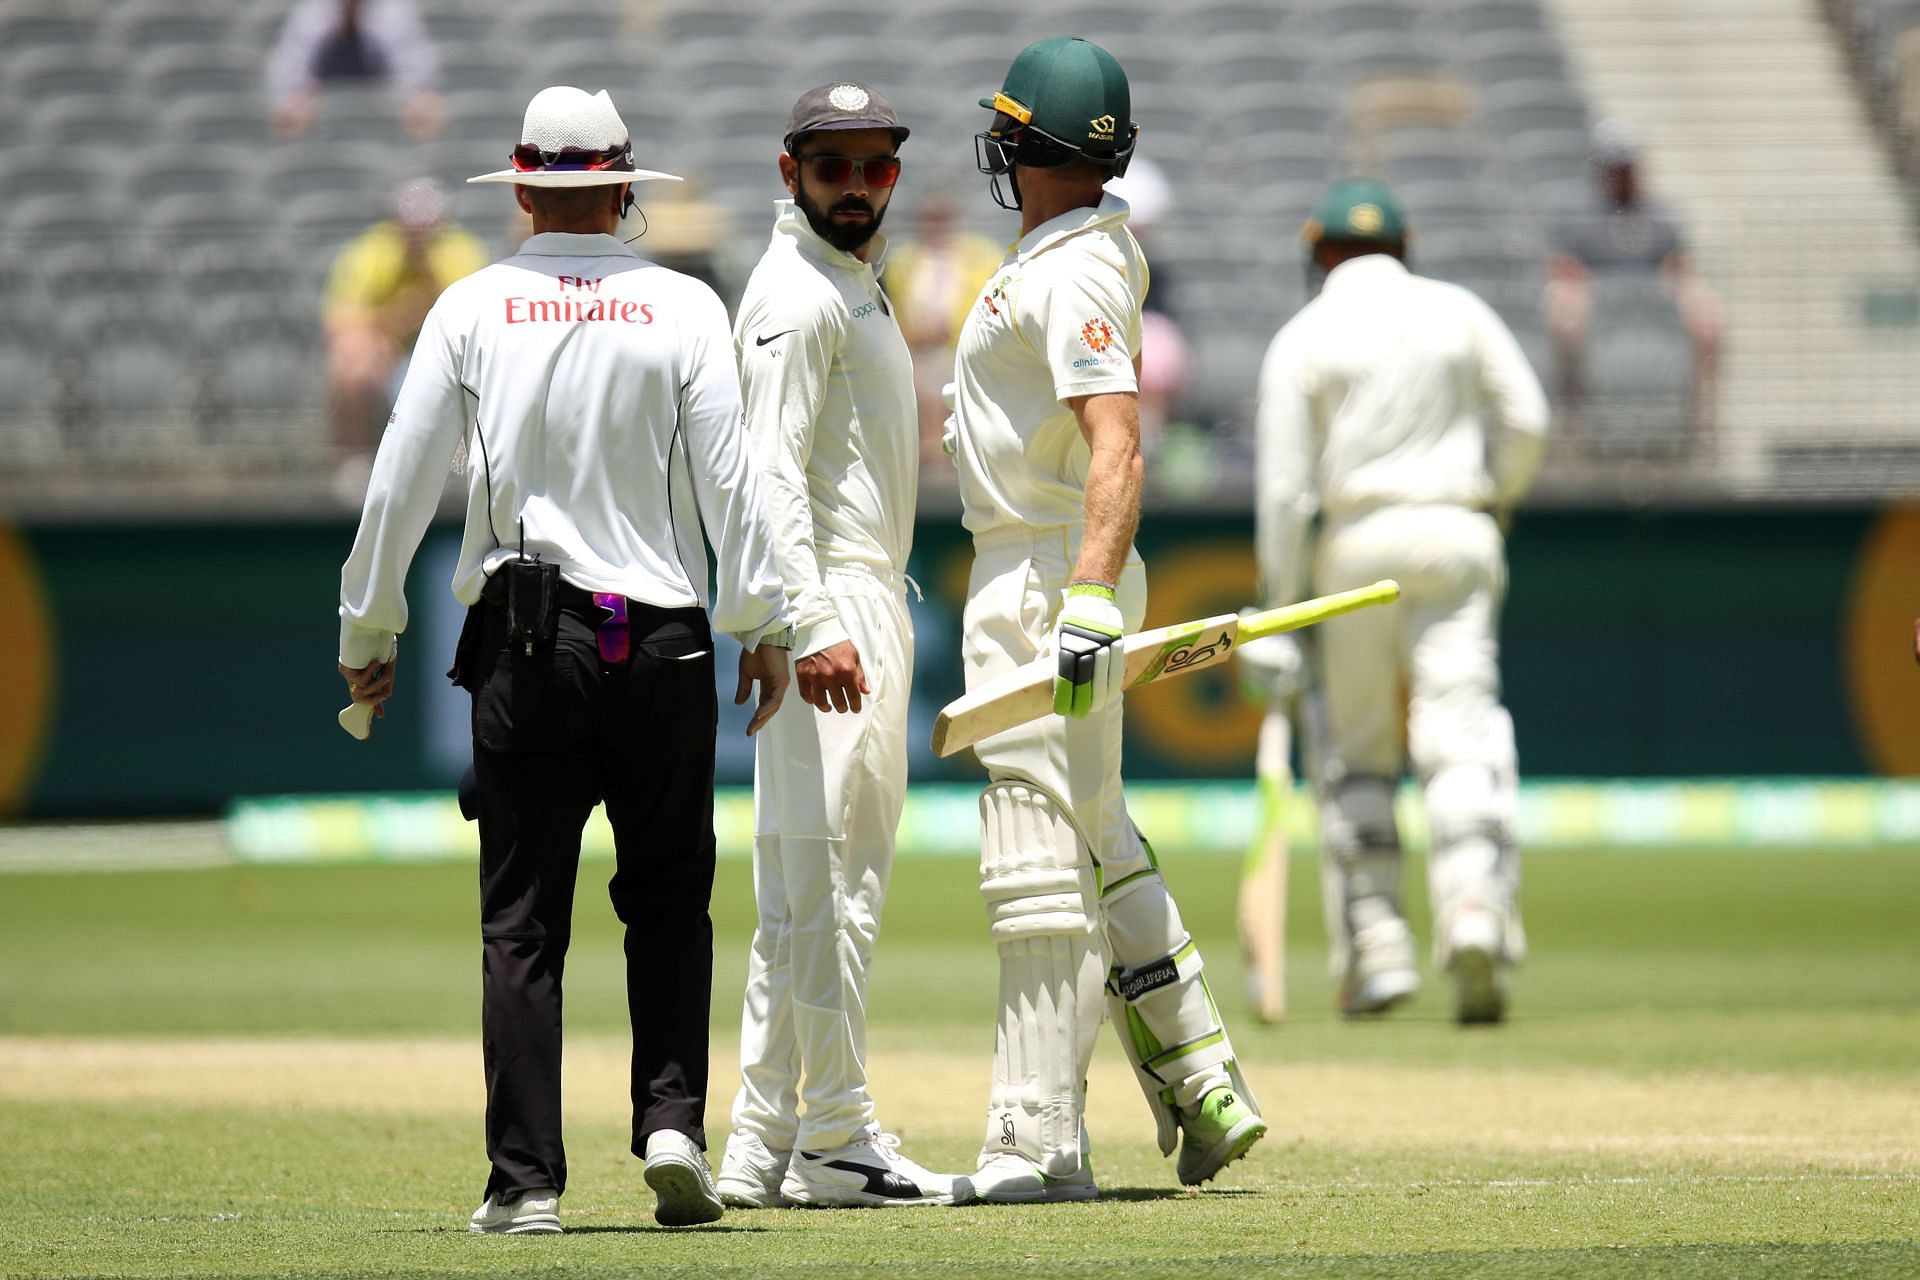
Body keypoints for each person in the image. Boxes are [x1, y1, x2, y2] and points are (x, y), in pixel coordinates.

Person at [335, 85, 794, 1234]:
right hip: (669, 639)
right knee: (671, 894)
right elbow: (730, 487)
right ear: (624, 191)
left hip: (532, 637)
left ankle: (528, 1182)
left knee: (523, 919)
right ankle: (676, 1122)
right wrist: (766, 621)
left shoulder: (473, 304)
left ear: (525, 188)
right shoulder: (685, 303)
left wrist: (368, 630)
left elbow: (399, 477)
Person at [948, 37, 1267, 1203]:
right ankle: (1200, 1073)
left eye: (1008, 127)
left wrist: (1085, 592)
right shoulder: (1061, 249)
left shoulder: (1078, 265)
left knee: (1037, 850)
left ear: (1029, 147)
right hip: (1032, 571)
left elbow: (1116, 440)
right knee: (1090, 827)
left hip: (1044, 575)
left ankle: (1038, 1137)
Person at [714, 82, 967, 1211]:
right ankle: (838, 1136)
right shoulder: (796, 294)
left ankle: (761, 1143)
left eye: (875, 167)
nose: (857, 188)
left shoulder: (845, 282)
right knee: (837, 885)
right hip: (838, 605)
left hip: (854, 597)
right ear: (790, 174)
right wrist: (806, 622)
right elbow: (763, 475)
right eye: (834, 168)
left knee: (802, 890)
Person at [1250, 178, 1549, 1025]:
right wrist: (1493, 495)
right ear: (1406, 247)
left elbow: (1281, 490)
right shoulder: (1459, 310)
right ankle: (1476, 912)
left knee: (1360, 749)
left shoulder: (1305, 333)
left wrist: (1277, 602)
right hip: (1455, 532)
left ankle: (1378, 949)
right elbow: (1527, 416)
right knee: (1460, 731)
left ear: (1318, 253)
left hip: (1355, 547)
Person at [1544, 120, 1720, 423]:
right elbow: (1564, 267)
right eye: (1614, 167)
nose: (1621, 174)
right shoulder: (1578, 215)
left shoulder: (1662, 214)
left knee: (1708, 318)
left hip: (1654, 291)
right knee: (1562, 313)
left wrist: (1670, 288)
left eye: (1626, 166)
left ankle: (1699, 413)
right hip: (1594, 293)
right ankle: (1573, 411)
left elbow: (1678, 264)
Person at [323, 176, 489, 493]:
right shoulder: (370, 251)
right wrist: (397, 319)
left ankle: (462, 462)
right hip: (388, 355)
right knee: (353, 362)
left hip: (447, 355)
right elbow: (341, 323)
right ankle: (357, 461)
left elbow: (476, 323)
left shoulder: (461, 250)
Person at [884, 192, 1005, 463]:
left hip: (962, 348)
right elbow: (898, 314)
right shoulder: (905, 261)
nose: (935, 226)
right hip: (918, 349)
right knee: (917, 382)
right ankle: (929, 459)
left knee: (942, 382)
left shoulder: (980, 256)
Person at [267, 0, 443, 140]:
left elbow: (417, 74)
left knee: (427, 113)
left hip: (386, 115)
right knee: (288, 118)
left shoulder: (395, 11)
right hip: (321, 118)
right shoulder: (311, 12)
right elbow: (289, 73)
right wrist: (298, 99)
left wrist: (411, 101)